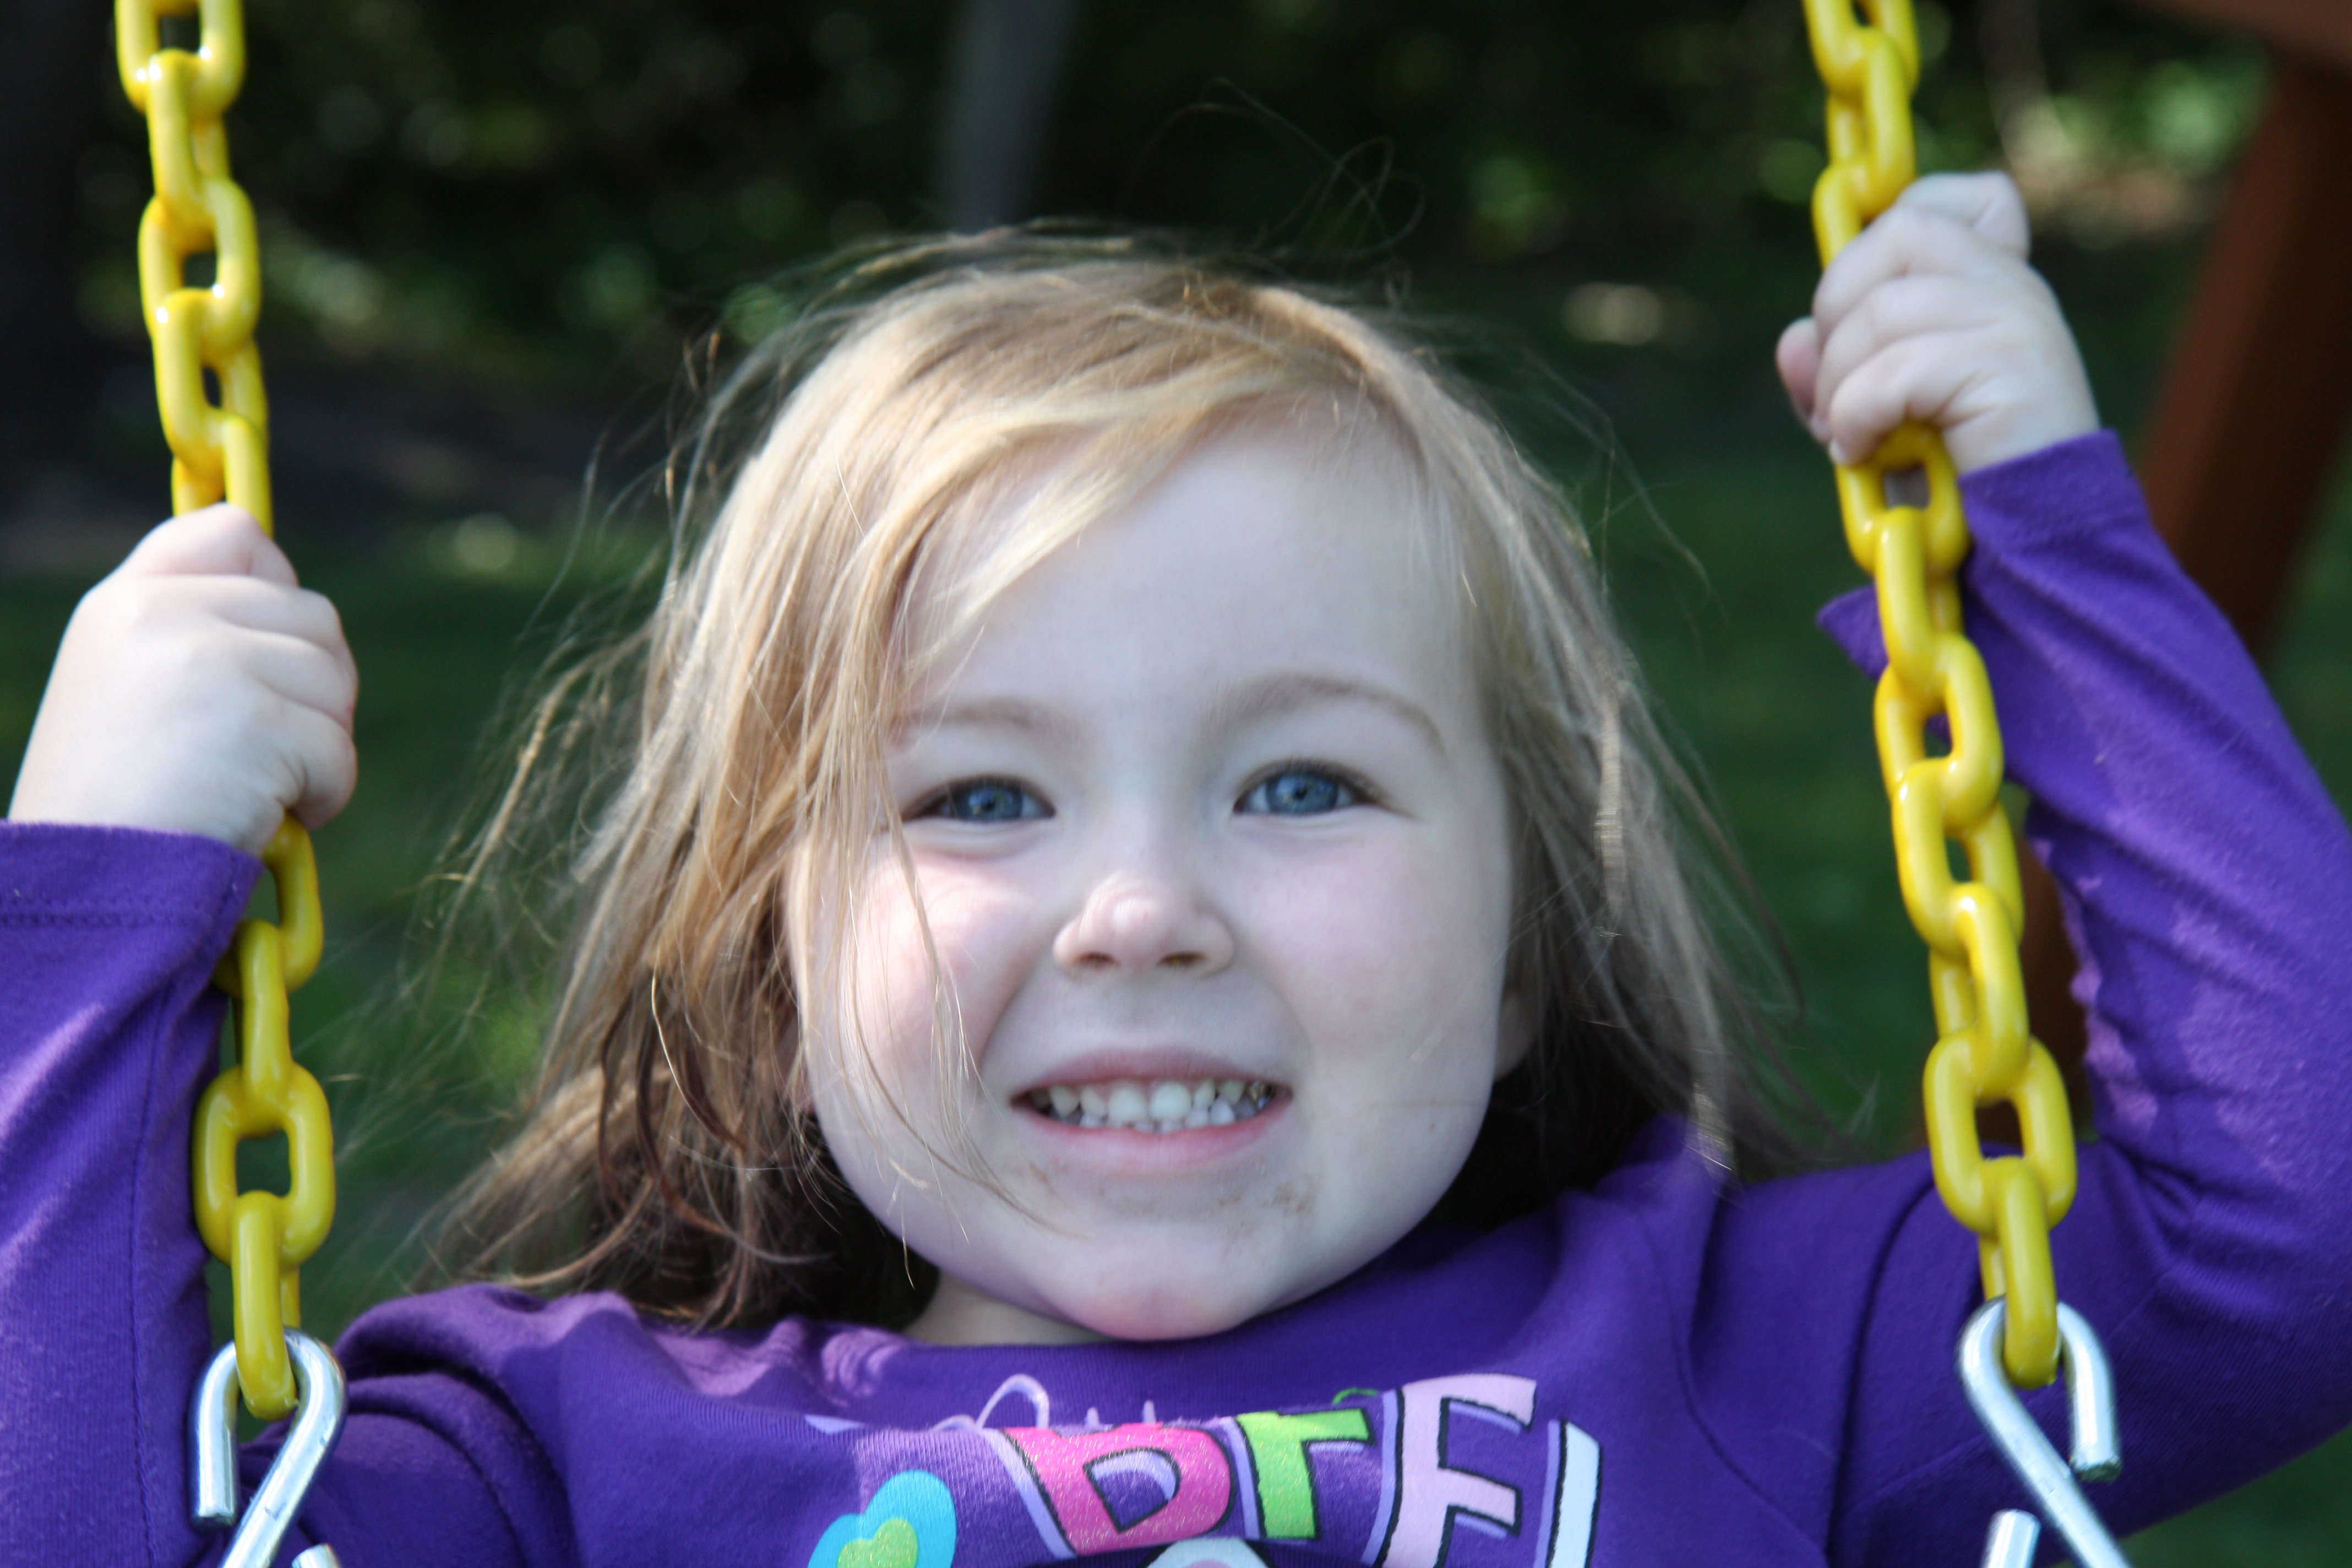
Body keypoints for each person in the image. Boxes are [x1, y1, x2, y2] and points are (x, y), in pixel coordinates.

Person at [5, 172, 2350, 1567]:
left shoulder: (1734, 1357)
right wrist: (96, 899)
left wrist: (2039, 552)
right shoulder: (567, 1468)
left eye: (1304, 787)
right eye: (980, 799)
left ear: (1521, 951)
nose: (1144, 909)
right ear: (772, 955)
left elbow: (2295, 1223)